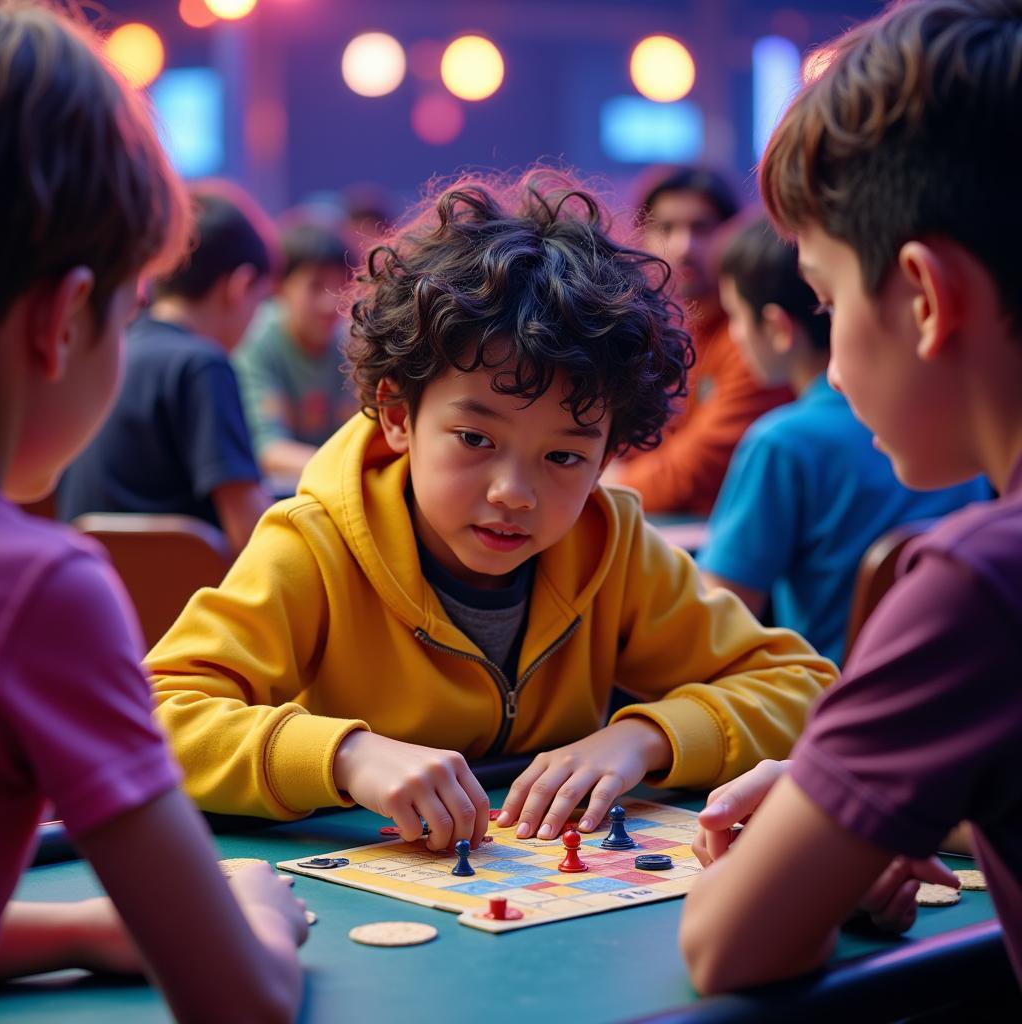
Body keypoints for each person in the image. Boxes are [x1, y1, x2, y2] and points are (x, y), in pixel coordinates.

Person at [144, 170, 837, 852]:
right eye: (476, 439)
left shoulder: (611, 544)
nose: (515, 493)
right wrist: (346, 756)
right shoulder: (315, 545)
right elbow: (155, 718)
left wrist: (644, 737)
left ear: (608, 454)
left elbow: (801, 690)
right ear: (395, 414)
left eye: (565, 456)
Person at [681, 0, 1022, 995]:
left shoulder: (979, 582)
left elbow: (728, 945)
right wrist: (862, 795)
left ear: (922, 297)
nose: (829, 363)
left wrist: (796, 843)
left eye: (827, 303)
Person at [0, 3, 307, 1019]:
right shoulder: (38, 586)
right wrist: (253, 903)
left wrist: (91, 922)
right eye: (128, 313)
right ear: (61, 318)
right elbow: (242, 998)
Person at [697, 215, 990, 663]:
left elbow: (713, 622)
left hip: (816, 698)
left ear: (778, 328)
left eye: (735, 316)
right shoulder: (951, 435)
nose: (734, 337)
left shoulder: (781, 444)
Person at [57, 181, 275, 553]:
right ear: (240, 286)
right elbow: (252, 536)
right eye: (262, 300)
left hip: (99, 589)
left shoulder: (114, 352)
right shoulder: (204, 366)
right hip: (184, 604)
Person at [606, 166, 792, 514]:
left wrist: (600, 483)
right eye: (665, 228)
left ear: (735, 233)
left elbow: (695, 471)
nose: (684, 246)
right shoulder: (655, 328)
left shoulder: (753, 337)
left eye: (701, 228)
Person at [233, 219, 360, 479]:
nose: (331, 304)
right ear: (279, 288)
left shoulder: (354, 342)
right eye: (315, 286)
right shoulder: (258, 341)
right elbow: (267, 450)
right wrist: (348, 470)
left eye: (341, 287)